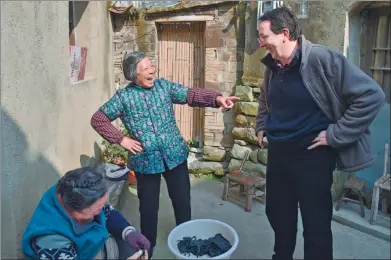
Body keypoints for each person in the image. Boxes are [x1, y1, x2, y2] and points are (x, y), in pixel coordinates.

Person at [255, 7, 385, 260]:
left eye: (264, 37)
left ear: (284, 34)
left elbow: (372, 96)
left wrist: (336, 134)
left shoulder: (322, 59)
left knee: (316, 226)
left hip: (312, 157)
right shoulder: (272, 67)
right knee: (279, 218)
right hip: (279, 155)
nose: (260, 43)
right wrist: (261, 125)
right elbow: (265, 99)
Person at [90, 51, 240, 258]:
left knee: (182, 201)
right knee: (149, 209)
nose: (152, 70)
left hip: (175, 156)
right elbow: (98, 119)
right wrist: (122, 140)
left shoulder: (163, 87)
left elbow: (190, 94)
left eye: (151, 66)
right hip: (145, 162)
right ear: (134, 75)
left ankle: (188, 242)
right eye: (146, 68)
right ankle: (147, 250)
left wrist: (216, 98)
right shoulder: (123, 97)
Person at [22, 167, 150, 260]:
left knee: (143, 249)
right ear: (72, 211)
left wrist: (128, 232)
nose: (99, 213)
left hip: (96, 246)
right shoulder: (52, 243)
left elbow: (107, 212)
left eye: (102, 204)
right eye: (93, 212)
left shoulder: (73, 189)